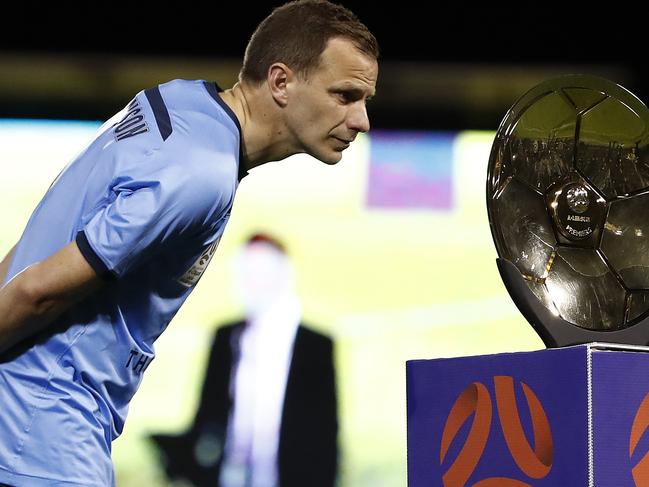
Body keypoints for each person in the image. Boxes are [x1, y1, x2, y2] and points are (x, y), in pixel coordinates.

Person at [0, 1, 378, 485]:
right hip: (45, 434)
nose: (361, 119)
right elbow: (42, 290)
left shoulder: (180, 100)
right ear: (281, 82)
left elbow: (37, 246)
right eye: (345, 95)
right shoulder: (200, 175)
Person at [151, 233, 338, 487]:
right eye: (245, 273)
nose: (250, 283)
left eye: (260, 273)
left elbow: (325, 437)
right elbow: (207, 416)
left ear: (281, 274)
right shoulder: (226, 337)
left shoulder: (314, 346)